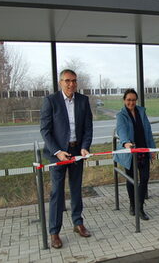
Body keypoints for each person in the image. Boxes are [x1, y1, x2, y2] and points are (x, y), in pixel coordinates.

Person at [40, 69, 93, 249]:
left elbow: (88, 127)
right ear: (60, 82)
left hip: (77, 151)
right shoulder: (51, 101)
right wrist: (57, 152)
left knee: (76, 188)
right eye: (68, 81)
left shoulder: (83, 101)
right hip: (58, 155)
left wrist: (85, 147)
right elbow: (45, 130)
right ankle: (54, 232)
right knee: (57, 192)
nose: (71, 84)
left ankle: (78, 223)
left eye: (74, 81)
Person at [114, 89, 155, 220]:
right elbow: (121, 130)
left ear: (136, 100)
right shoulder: (121, 115)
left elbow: (148, 130)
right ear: (124, 100)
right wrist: (126, 143)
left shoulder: (142, 112)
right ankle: (133, 205)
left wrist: (152, 149)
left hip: (143, 150)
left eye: (133, 100)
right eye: (128, 100)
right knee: (131, 179)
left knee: (144, 178)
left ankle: (140, 207)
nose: (131, 102)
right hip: (131, 152)